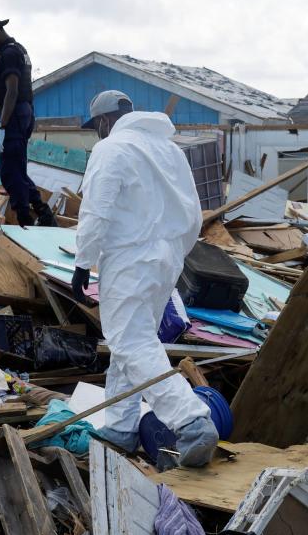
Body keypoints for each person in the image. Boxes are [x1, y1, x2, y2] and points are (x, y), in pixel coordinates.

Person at [71, 90, 217, 467]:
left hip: (129, 257)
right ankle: (120, 428)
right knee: (131, 344)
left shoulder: (111, 149)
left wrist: (82, 263)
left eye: (96, 127)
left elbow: (96, 211)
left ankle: (191, 420)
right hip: (166, 256)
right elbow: (194, 212)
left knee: (130, 342)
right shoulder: (169, 150)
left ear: (104, 122)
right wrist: (174, 253)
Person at [0, 15, 56, 227]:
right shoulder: (16, 49)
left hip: (14, 115)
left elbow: (12, 91)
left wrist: (2, 126)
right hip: (20, 112)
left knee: (11, 174)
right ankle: (43, 211)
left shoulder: (10, 53)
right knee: (16, 172)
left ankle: (25, 222)